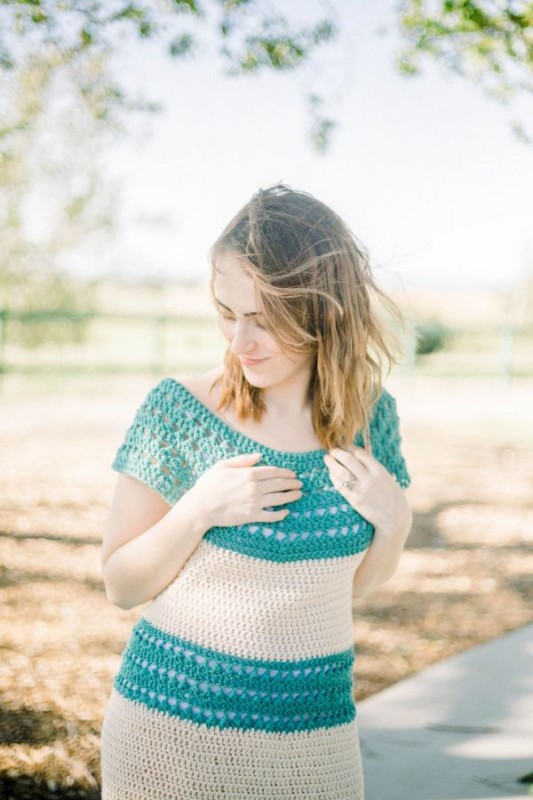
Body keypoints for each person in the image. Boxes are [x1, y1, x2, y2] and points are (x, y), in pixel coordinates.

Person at [100, 183, 412, 800]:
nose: (239, 342)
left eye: (264, 320)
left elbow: (348, 591)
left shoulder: (371, 420)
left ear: (324, 311)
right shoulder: (179, 411)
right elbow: (121, 584)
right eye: (227, 312)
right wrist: (199, 510)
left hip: (315, 743)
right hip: (169, 741)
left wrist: (394, 522)